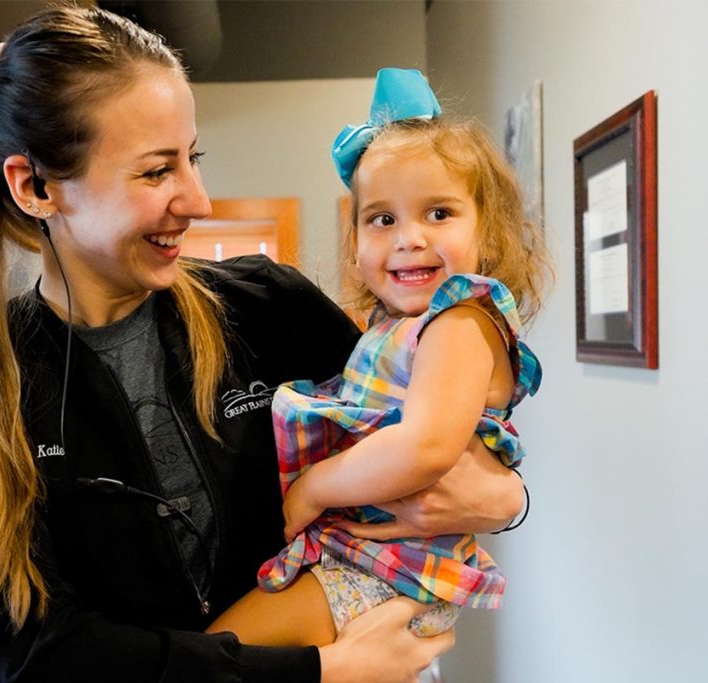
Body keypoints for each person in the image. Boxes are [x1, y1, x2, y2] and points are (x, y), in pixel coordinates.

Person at [0, 7, 525, 682]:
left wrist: (507, 497)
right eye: (157, 171)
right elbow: (36, 661)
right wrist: (321, 670)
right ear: (35, 185)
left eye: (193, 159)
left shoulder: (267, 307)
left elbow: (429, 433)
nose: (197, 198)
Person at [208, 69, 552, 648]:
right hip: (370, 559)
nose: (408, 237)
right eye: (383, 219)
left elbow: (425, 447)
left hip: (389, 574)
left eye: (438, 213)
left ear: (487, 233)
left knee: (223, 652)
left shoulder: (462, 320)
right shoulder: (398, 327)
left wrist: (313, 489)